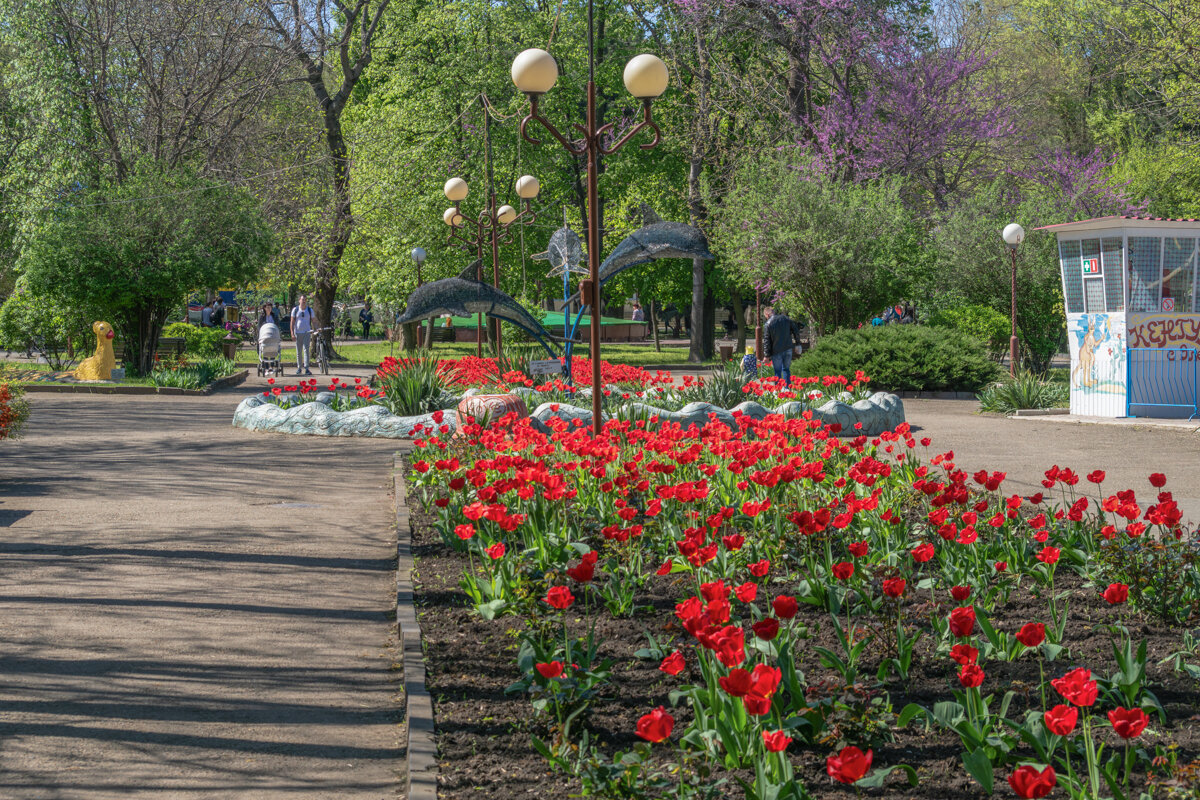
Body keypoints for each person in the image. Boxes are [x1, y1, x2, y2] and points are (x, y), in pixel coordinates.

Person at [764, 307, 801, 386]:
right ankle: (788, 390)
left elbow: (767, 340)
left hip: (776, 351)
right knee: (786, 369)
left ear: (767, 314)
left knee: (777, 371)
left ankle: (779, 391)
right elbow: (795, 330)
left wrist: (767, 355)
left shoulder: (768, 324)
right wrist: (798, 343)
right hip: (788, 348)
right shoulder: (786, 319)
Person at [290, 295, 314, 376]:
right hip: (298, 332)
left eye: (305, 300)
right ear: (299, 300)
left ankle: (306, 368)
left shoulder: (310, 310)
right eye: (302, 299)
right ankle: (299, 368)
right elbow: (292, 322)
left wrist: (316, 329)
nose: (303, 301)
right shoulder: (295, 310)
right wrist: (292, 333)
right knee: (298, 351)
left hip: (307, 332)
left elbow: (314, 320)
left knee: (306, 350)